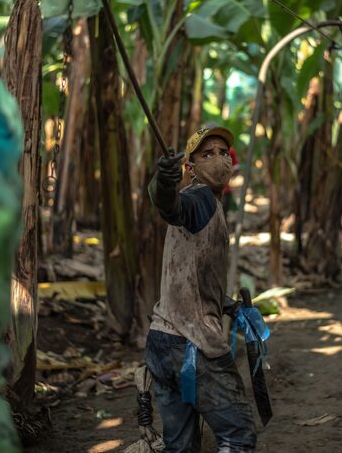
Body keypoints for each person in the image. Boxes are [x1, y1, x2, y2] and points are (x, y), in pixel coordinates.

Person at [145, 125, 256, 453]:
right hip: (192, 346)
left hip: (161, 341)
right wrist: (163, 181)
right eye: (207, 154)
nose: (219, 159)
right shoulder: (199, 198)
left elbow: (191, 277)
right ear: (190, 169)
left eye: (223, 153)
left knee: (180, 447)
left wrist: (226, 304)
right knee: (237, 436)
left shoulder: (212, 206)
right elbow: (170, 207)